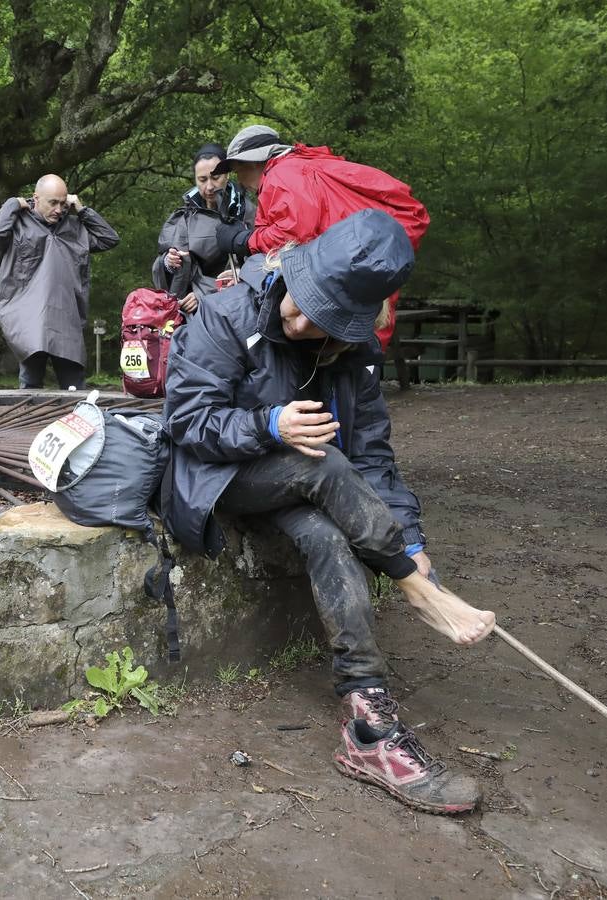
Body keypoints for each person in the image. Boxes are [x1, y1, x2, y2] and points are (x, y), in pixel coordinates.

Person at [164, 209, 496, 814]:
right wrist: (267, 424)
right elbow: (185, 423)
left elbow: (371, 454)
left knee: (329, 536)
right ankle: (414, 592)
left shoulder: (356, 353)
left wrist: (414, 545)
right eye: (301, 299)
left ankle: (367, 725)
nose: (297, 316)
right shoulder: (224, 313)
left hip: (310, 490)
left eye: (321, 319)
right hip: (221, 478)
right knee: (320, 462)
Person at [211, 125, 429, 349]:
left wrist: (244, 241)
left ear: (254, 162)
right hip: (364, 275)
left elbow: (293, 235)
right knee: (361, 355)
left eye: (238, 170)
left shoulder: (281, 173)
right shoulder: (302, 168)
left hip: (343, 281)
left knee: (344, 359)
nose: (239, 180)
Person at [0, 174, 119, 389]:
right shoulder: (17, 225)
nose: (58, 209)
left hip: (66, 322)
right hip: (30, 324)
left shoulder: (75, 228)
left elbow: (109, 239)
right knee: (30, 392)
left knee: (75, 390)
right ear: (36, 198)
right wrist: (12, 203)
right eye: (52, 203)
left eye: (62, 203)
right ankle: (29, 423)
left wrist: (82, 210)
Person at [151, 143, 257, 314]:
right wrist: (168, 263)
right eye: (202, 180)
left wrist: (203, 294)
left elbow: (261, 262)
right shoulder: (183, 216)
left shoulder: (247, 212)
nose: (209, 187)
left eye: (215, 178)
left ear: (227, 175)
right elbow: (163, 266)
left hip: (234, 307)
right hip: (187, 308)